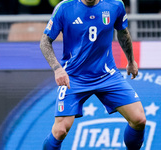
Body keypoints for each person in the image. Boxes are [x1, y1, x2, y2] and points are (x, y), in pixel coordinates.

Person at [40, 0, 146, 149]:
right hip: (74, 77)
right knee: (60, 130)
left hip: (107, 75)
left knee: (139, 119)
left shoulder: (115, 5)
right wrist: (57, 69)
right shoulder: (65, 8)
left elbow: (122, 32)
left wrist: (131, 60)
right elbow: (45, 41)